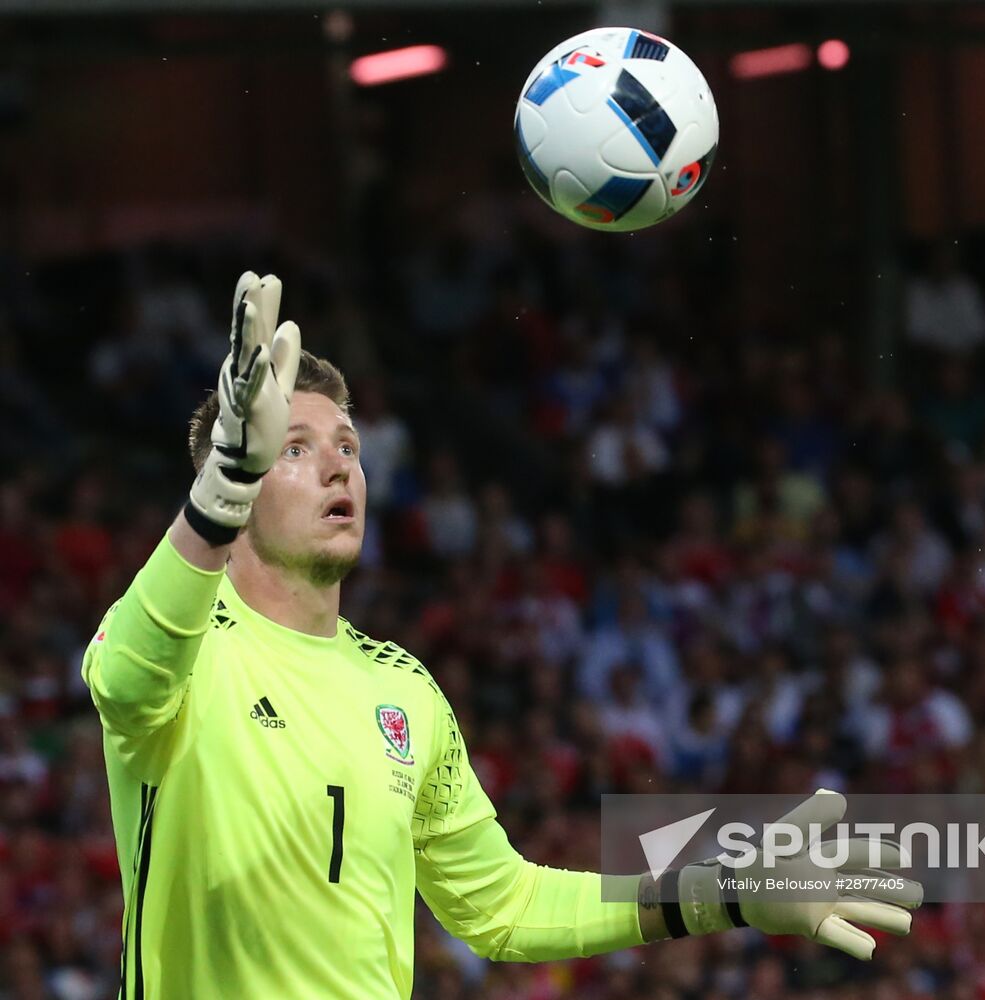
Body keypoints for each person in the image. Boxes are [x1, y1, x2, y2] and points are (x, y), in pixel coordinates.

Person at [81, 272, 920, 998]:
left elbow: (502, 907)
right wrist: (224, 483)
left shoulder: (400, 690)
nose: (340, 466)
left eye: (349, 445)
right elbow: (123, 679)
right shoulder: (187, 645)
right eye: (294, 448)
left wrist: (724, 894)